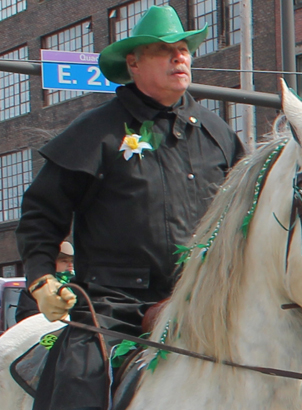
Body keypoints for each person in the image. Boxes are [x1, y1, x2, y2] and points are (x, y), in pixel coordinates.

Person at [15, 5, 244, 410]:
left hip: (209, 299)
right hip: (115, 303)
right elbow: (40, 214)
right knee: (78, 378)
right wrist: (41, 278)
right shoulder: (94, 132)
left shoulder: (218, 133)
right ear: (133, 63)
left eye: (184, 48)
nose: (179, 57)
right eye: (162, 49)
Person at [15, 241, 74, 323]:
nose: (70, 265)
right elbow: (27, 320)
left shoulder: (78, 286)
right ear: (52, 264)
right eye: (64, 261)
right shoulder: (36, 289)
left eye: (72, 261)